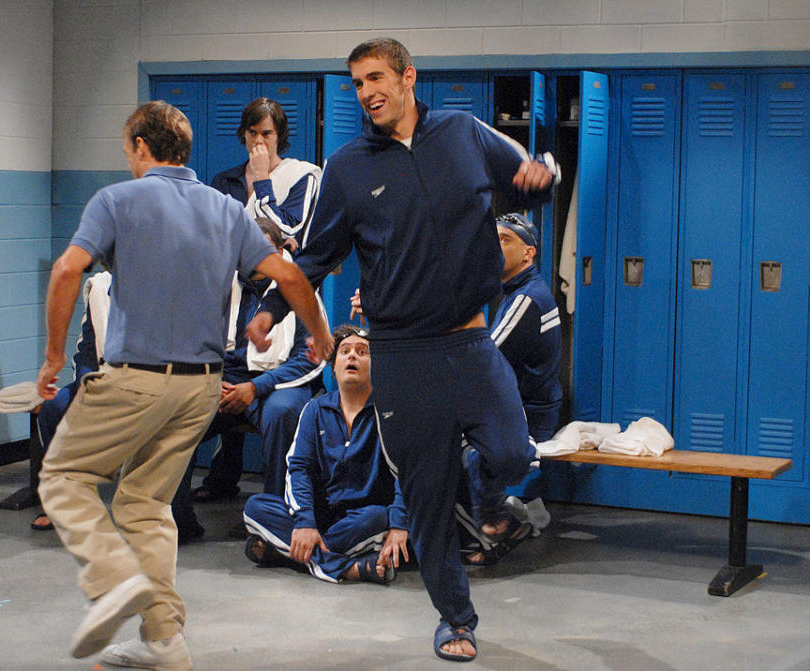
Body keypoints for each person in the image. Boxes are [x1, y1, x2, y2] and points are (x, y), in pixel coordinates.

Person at [246, 38, 557, 663]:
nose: (368, 92)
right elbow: (317, 253)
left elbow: (528, 179)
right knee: (428, 493)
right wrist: (273, 307)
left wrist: (539, 178)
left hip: (469, 340)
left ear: (409, 78)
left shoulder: (465, 134)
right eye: (359, 82)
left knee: (510, 451)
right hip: (402, 355)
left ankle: (496, 503)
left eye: (377, 78)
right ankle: (456, 619)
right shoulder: (349, 167)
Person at [36, 101, 332, 670]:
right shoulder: (226, 209)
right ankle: (164, 642)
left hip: (135, 380)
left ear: (142, 147)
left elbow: (67, 270)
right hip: (200, 389)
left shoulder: (116, 200)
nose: (128, 159)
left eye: (128, 149)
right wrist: (318, 334)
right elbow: (292, 275)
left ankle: (114, 580)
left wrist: (53, 358)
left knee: (65, 476)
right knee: (145, 505)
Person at [172, 218, 324, 534]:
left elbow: (308, 360)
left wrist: (255, 387)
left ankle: (271, 520)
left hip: (279, 379)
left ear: (281, 251)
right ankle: (177, 518)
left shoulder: (298, 287)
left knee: (282, 412)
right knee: (180, 407)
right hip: (226, 375)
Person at [242, 325, 409, 584]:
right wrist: (305, 522)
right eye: (345, 351)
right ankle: (348, 567)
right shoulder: (314, 409)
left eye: (362, 352)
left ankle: (285, 553)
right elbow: (298, 469)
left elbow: (405, 473)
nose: (352, 356)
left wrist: (399, 523)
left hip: (362, 519)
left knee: (379, 516)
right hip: (321, 516)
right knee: (255, 507)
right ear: (334, 366)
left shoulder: (389, 413)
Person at [459, 212, 563, 565]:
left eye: (506, 240)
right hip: (511, 406)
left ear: (529, 252)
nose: (495, 247)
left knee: (454, 448)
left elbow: (483, 358)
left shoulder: (526, 299)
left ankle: (500, 527)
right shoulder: (515, 291)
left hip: (529, 417)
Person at [31, 271, 111, 532]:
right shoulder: (100, 285)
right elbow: (86, 349)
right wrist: (86, 385)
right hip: (101, 381)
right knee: (54, 407)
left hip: (143, 384)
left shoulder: (161, 284)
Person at [210, 98, 322, 250]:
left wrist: (262, 177)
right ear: (244, 134)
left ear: (279, 136)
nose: (258, 140)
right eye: (252, 132)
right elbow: (213, 232)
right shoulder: (224, 181)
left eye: (266, 134)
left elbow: (285, 229)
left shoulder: (300, 177)